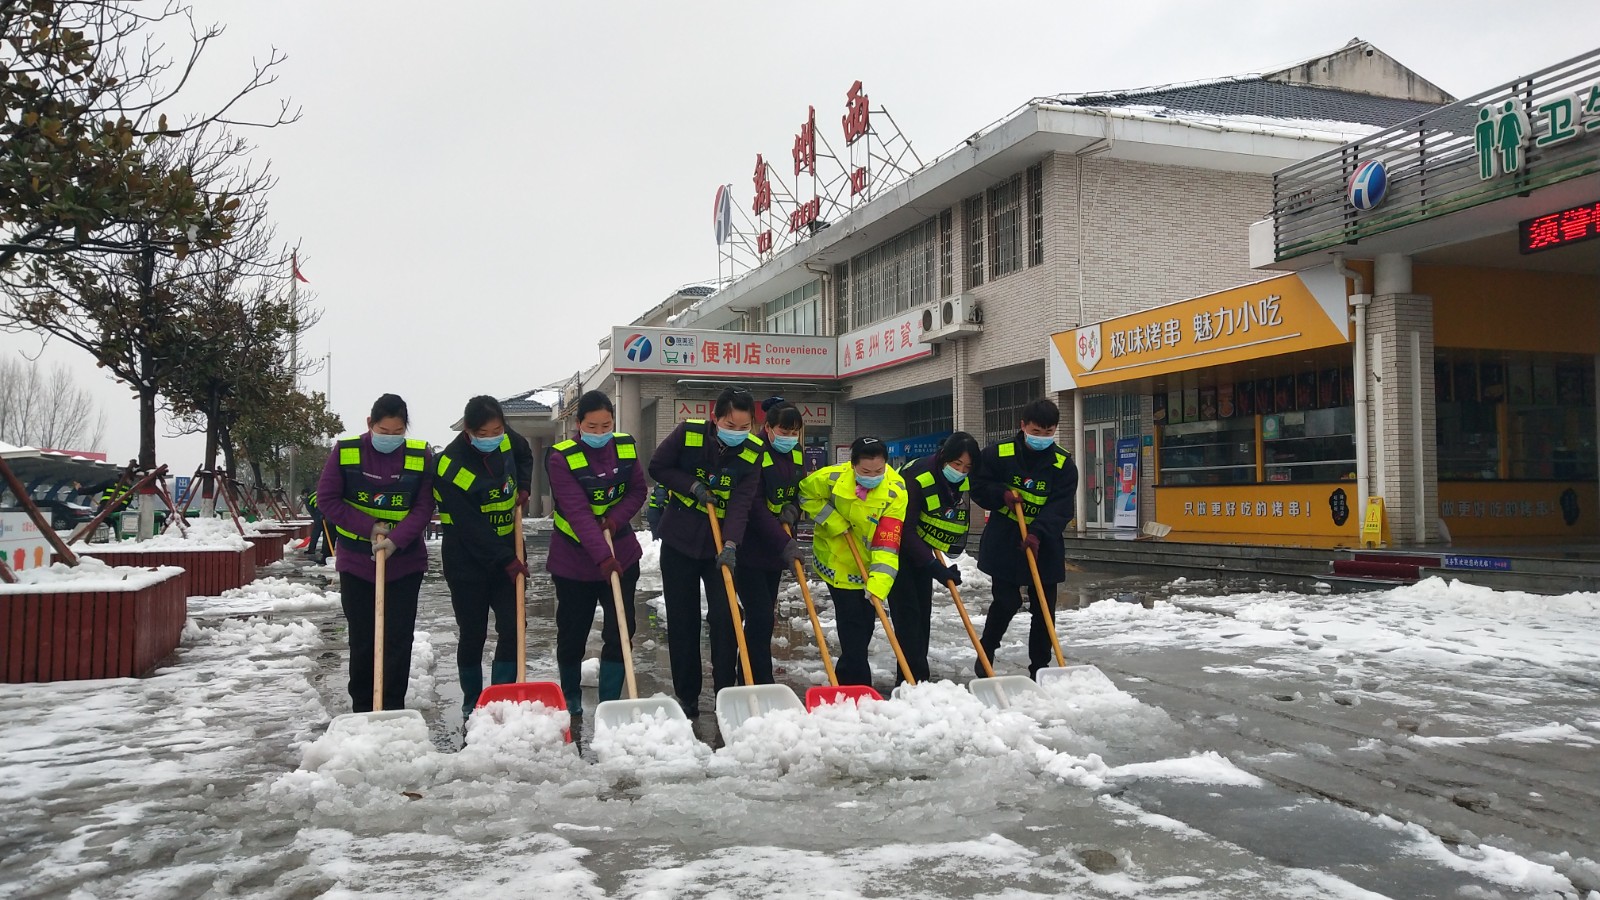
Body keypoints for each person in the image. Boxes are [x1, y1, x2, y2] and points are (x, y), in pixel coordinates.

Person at [647, 387, 764, 716]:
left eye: (744, 427)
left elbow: (741, 502)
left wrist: (731, 544)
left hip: (720, 545)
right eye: (730, 425)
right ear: (716, 418)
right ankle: (687, 696)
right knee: (682, 620)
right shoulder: (690, 433)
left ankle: (724, 691)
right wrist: (692, 486)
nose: (738, 432)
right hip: (680, 539)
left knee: (726, 618)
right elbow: (658, 467)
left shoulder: (753, 451)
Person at [316, 393, 434, 713]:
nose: (390, 438)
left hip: (405, 563)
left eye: (398, 432)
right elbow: (327, 499)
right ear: (370, 423)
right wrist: (368, 527)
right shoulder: (346, 451)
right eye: (383, 431)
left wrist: (397, 539)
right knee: (363, 639)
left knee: (398, 639)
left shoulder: (419, 455)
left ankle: (392, 707)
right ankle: (363, 708)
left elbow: (424, 506)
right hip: (357, 562)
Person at [545, 390, 647, 715]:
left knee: (621, 631)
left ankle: (609, 703)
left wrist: (615, 520)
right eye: (592, 426)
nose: (600, 433)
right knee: (573, 632)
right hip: (574, 560)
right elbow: (577, 513)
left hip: (622, 554)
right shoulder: (561, 457)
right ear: (578, 424)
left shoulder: (625, 446)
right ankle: (571, 698)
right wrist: (603, 557)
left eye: (606, 426)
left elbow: (637, 491)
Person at [971, 398, 1078, 678]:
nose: (1042, 437)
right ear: (1023, 426)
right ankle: (987, 649)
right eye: (1036, 431)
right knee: (1006, 601)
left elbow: (1061, 507)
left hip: (1044, 543)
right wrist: (1001, 495)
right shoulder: (999, 453)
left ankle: (1039, 668)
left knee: (1043, 609)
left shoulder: (1062, 465)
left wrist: (1038, 532)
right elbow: (978, 484)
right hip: (1005, 540)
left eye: (1048, 432)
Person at [435, 395, 524, 716]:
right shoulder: (449, 464)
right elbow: (469, 525)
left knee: (514, 626)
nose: (491, 438)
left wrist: (525, 486)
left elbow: (525, 455)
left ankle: (502, 696)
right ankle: (473, 702)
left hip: (508, 551)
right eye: (482, 434)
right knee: (473, 632)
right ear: (468, 431)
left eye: (497, 431)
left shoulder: (507, 439)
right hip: (466, 560)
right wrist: (506, 559)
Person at [798, 436, 907, 687]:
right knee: (852, 626)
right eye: (865, 471)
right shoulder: (832, 478)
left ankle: (847, 675)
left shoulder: (895, 491)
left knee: (864, 627)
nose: (873, 476)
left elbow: (888, 543)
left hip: (868, 565)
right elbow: (806, 495)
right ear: (852, 465)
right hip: (836, 560)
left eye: (878, 471)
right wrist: (834, 521)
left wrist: (879, 585)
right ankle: (858, 685)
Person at [887, 431, 980, 685]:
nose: (961, 471)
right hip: (894, 547)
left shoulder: (952, 478)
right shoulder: (917, 476)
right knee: (908, 616)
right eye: (957, 464)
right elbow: (905, 530)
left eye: (967, 467)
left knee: (922, 616)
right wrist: (932, 566)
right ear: (944, 456)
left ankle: (920, 678)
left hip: (921, 547)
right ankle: (908, 681)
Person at [732, 397, 806, 684]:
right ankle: (756, 680)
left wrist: (794, 510)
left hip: (775, 551)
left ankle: (752, 676)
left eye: (794, 432)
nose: (789, 437)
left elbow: (799, 491)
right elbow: (753, 504)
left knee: (765, 617)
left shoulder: (796, 453)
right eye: (784, 431)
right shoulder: (753, 451)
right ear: (768, 428)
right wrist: (783, 542)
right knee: (760, 616)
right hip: (750, 547)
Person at [303, 488, 328, 563]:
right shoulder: (318, 492)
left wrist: (317, 520)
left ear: (305, 494)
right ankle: (325, 550)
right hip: (327, 511)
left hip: (319, 513)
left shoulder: (308, 499)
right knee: (326, 532)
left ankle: (311, 549)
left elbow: (312, 512)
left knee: (315, 533)